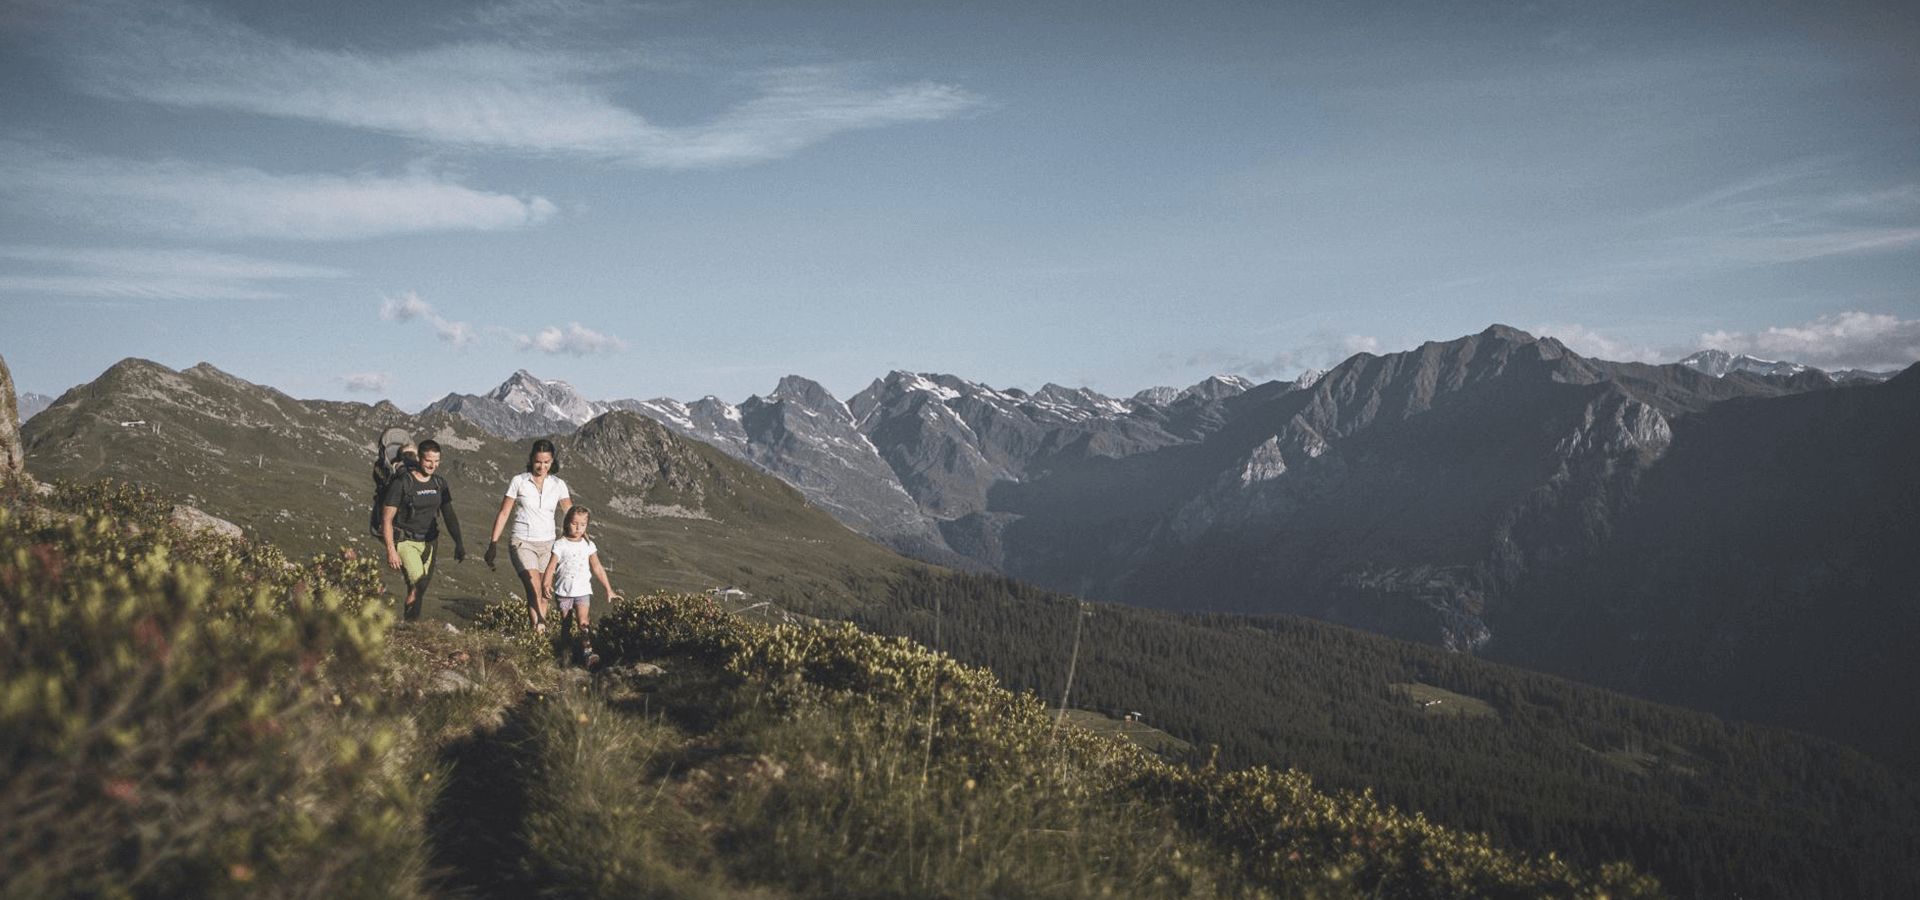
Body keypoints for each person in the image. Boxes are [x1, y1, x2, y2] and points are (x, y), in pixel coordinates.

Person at [484, 439, 573, 632]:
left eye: (547, 462)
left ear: (552, 461)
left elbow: (570, 511)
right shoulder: (519, 481)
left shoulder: (558, 484)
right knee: (534, 588)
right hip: (522, 542)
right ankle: (540, 628)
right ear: (532, 459)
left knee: (544, 593)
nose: (542, 466)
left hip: (548, 545)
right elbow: (504, 513)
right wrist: (493, 544)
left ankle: (537, 637)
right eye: (538, 461)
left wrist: (581, 537)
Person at [381, 439, 466, 620]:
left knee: (419, 589)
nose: (432, 465)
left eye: (436, 461)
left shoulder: (439, 484)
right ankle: (410, 628)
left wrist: (458, 542)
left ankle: (411, 625)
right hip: (406, 542)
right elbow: (387, 519)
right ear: (419, 458)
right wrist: (390, 550)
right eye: (428, 461)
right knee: (418, 584)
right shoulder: (403, 483)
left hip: (430, 543)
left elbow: (449, 515)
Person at [542, 505, 620, 666]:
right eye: (574, 523)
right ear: (567, 523)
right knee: (566, 623)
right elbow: (551, 566)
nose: (578, 528)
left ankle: (588, 652)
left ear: (586, 525)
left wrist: (608, 589)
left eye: (582, 525)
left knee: (583, 621)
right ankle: (566, 654)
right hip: (564, 592)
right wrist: (546, 583)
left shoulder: (588, 545)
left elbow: (597, 567)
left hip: (583, 591)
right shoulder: (560, 544)